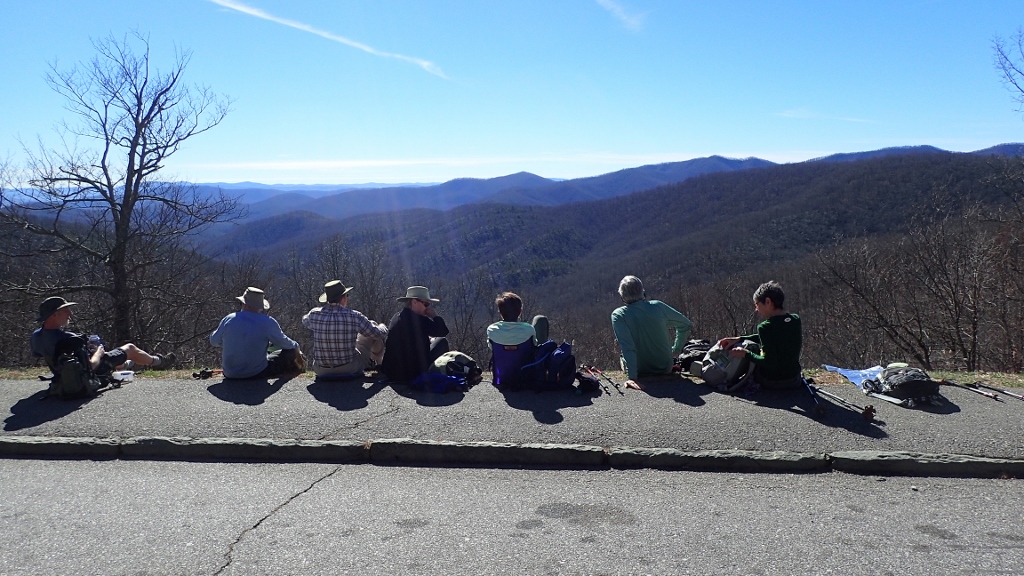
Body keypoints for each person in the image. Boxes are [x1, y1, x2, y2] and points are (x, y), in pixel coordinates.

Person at [30, 296, 174, 374]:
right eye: (66, 311)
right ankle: (159, 362)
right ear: (55, 315)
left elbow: (45, 354)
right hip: (88, 373)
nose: (70, 314)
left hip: (62, 374)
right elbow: (91, 366)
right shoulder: (68, 339)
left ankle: (128, 365)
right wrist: (98, 352)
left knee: (117, 357)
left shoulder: (36, 336)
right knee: (129, 348)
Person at [610, 275, 691, 391]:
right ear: (643, 292)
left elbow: (628, 347)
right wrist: (676, 350)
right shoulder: (658, 307)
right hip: (665, 367)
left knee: (622, 356)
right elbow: (685, 324)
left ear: (622, 296)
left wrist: (632, 377)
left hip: (640, 370)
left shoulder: (618, 315)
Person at [718, 280, 802, 390]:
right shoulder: (795, 319)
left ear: (768, 302)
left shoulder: (765, 327)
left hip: (774, 382)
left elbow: (769, 362)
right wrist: (740, 338)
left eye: (757, 304)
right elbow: (773, 337)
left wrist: (745, 353)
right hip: (795, 379)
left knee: (752, 351)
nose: (756, 309)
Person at [210, 287, 302, 379]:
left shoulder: (228, 319)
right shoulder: (267, 322)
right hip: (256, 373)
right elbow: (283, 343)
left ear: (243, 303)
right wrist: (296, 346)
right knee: (290, 352)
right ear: (261, 307)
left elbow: (214, 341)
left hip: (229, 373)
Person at [302, 280, 388, 377]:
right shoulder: (354, 316)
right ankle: (379, 364)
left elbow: (305, 320)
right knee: (372, 326)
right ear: (343, 298)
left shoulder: (314, 314)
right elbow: (377, 333)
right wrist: (382, 326)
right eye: (347, 295)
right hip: (349, 367)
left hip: (321, 370)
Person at [380, 286, 450, 383]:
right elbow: (442, 332)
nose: (427, 307)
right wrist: (434, 316)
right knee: (442, 342)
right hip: (415, 373)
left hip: (393, 373)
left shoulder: (396, 317)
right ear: (414, 302)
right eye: (425, 304)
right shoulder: (420, 320)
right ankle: (437, 372)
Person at [486, 292, 550, 388]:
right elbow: (535, 345)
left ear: (500, 313)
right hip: (527, 377)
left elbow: (492, 348)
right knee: (540, 319)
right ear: (520, 311)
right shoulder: (529, 329)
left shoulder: (491, 330)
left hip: (502, 378)